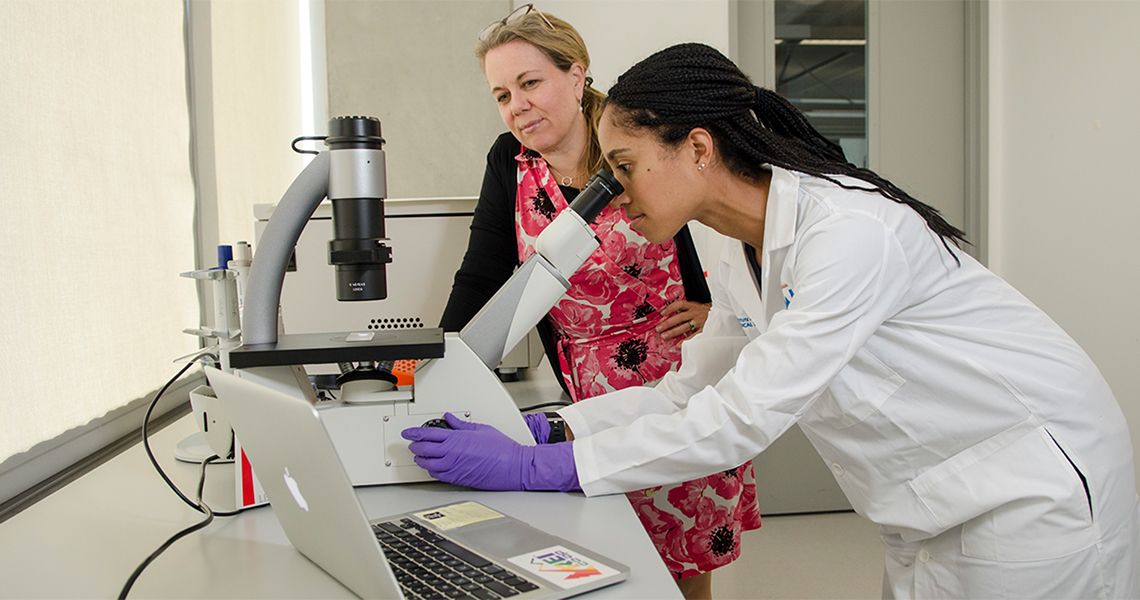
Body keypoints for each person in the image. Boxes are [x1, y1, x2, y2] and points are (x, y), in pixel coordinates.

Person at [407, 42, 1140, 598]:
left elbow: (739, 420)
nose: (616, 192)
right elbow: (689, 390)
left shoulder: (848, 230)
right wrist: (558, 427)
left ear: (697, 146)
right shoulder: (742, 248)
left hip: (1028, 494)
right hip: (932, 501)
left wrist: (543, 469)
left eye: (624, 165)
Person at [438, 9, 760, 596]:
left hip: (677, 367)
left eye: (530, 83)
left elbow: (698, 232)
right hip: (583, 386)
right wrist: (441, 368)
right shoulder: (509, 164)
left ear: (577, 73)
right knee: (601, 562)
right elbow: (482, 275)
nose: (517, 106)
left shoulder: (635, 146)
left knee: (681, 567)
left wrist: (719, 312)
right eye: (502, 94)